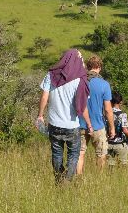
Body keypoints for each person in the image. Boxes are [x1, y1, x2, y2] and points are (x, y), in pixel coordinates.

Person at [37, 49, 93, 184]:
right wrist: (89, 124)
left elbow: (45, 96)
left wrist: (40, 115)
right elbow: (82, 106)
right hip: (72, 125)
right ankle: (67, 180)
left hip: (54, 124)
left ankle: (58, 180)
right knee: (73, 154)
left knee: (57, 153)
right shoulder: (81, 80)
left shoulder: (51, 75)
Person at [76, 55, 114, 174]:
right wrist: (112, 128)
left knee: (80, 153)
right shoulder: (104, 84)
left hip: (80, 123)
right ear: (99, 67)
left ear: (88, 67)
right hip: (98, 125)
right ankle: (99, 179)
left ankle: (78, 179)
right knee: (101, 154)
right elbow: (108, 109)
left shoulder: (79, 82)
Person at [107, 92, 128, 166]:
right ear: (121, 102)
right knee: (123, 165)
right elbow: (125, 130)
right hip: (120, 144)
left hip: (108, 143)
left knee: (110, 166)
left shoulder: (106, 113)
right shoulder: (123, 115)